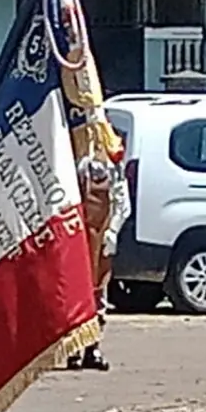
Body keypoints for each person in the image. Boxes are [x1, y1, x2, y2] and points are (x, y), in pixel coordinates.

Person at [68, 142, 130, 371]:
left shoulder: (110, 160)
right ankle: (73, 347)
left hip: (100, 233)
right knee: (74, 293)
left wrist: (113, 230)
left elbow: (121, 198)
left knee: (97, 293)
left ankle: (92, 347)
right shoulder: (68, 154)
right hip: (74, 233)